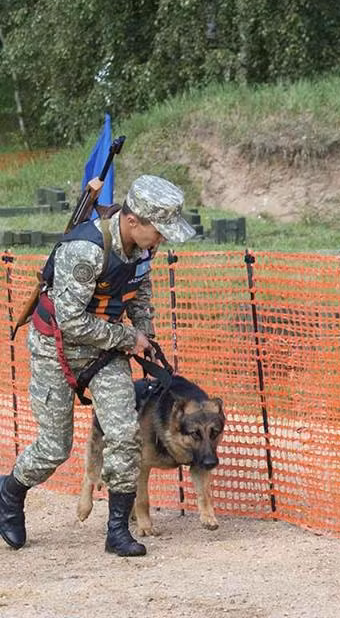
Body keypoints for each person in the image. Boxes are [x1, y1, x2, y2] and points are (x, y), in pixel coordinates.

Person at [0, 175, 195, 555]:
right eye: (160, 231)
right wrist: (128, 339)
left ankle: (118, 532)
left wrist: (146, 337)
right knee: (55, 448)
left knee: (125, 434)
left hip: (103, 350)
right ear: (133, 220)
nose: (164, 239)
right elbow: (71, 321)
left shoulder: (142, 249)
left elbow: (139, 295)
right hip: (56, 349)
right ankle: (9, 491)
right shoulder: (86, 250)